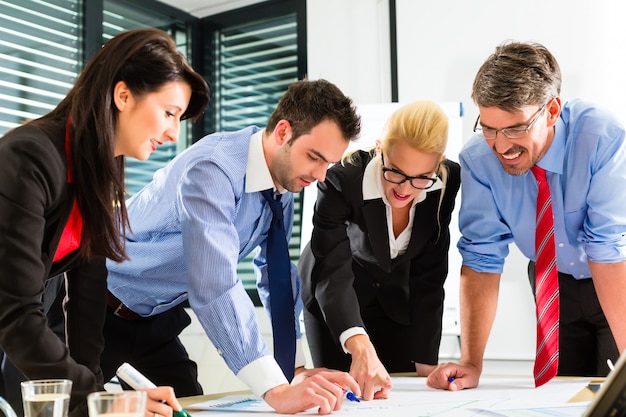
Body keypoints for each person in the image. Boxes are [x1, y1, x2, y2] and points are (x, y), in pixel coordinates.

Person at [100, 79, 363, 415]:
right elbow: (215, 283)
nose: (321, 175)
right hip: (92, 303)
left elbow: (277, 277)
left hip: (153, 317)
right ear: (283, 132)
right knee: (63, 406)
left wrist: (292, 369)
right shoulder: (213, 168)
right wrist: (275, 389)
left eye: (329, 163)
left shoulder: (281, 184)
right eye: (314, 157)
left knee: (184, 409)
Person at [0, 28, 209, 417]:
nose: (173, 132)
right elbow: (15, 311)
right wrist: (100, 399)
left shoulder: (99, 168)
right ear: (123, 95)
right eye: (169, 113)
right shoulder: (29, 156)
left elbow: (88, 295)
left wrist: (95, 399)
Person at [427, 41, 626, 392]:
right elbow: (481, 258)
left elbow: (606, 249)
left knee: (614, 390)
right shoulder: (479, 159)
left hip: (616, 274)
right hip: (553, 281)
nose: (502, 146)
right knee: (562, 394)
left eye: (515, 128)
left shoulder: (601, 138)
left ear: (551, 111)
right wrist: (472, 363)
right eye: (489, 127)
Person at [298, 100, 461, 400]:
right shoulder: (342, 180)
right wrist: (358, 343)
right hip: (335, 297)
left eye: (421, 177)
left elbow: (430, 272)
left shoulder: (445, 182)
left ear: (438, 163)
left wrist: (428, 364)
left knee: (394, 395)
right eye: (396, 172)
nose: (406, 189)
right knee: (340, 397)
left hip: (395, 302)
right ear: (380, 149)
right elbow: (332, 270)